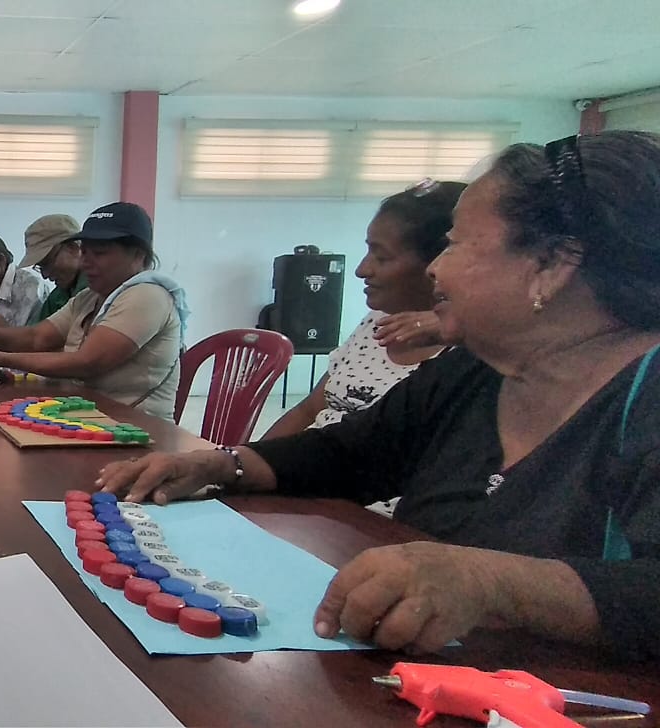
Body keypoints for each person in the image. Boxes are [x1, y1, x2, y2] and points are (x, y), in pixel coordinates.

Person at [96, 131, 660, 662]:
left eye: (456, 245)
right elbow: (355, 451)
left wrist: (490, 582)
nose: (436, 267)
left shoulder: (647, 395)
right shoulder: (478, 369)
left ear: (553, 265)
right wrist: (222, 464)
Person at [262, 179, 466, 439]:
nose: (362, 270)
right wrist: (240, 458)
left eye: (382, 258)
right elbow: (309, 410)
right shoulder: (376, 322)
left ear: (439, 263)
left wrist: (459, 326)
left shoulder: (469, 357)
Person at [0, 202, 187, 419]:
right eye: (85, 252)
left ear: (138, 255)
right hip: (92, 421)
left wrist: (0, 358)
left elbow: (87, 362)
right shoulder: (88, 298)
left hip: (138, 431)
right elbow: (37, 337)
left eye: (99, 253)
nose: (85, 262)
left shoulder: (147, 295)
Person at [18, 213, 87, 323]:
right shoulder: (58, 295)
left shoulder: (96, 288)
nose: (45, 275)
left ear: (73, 247)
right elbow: (35, 330)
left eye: (47, 263)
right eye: (40, 267)